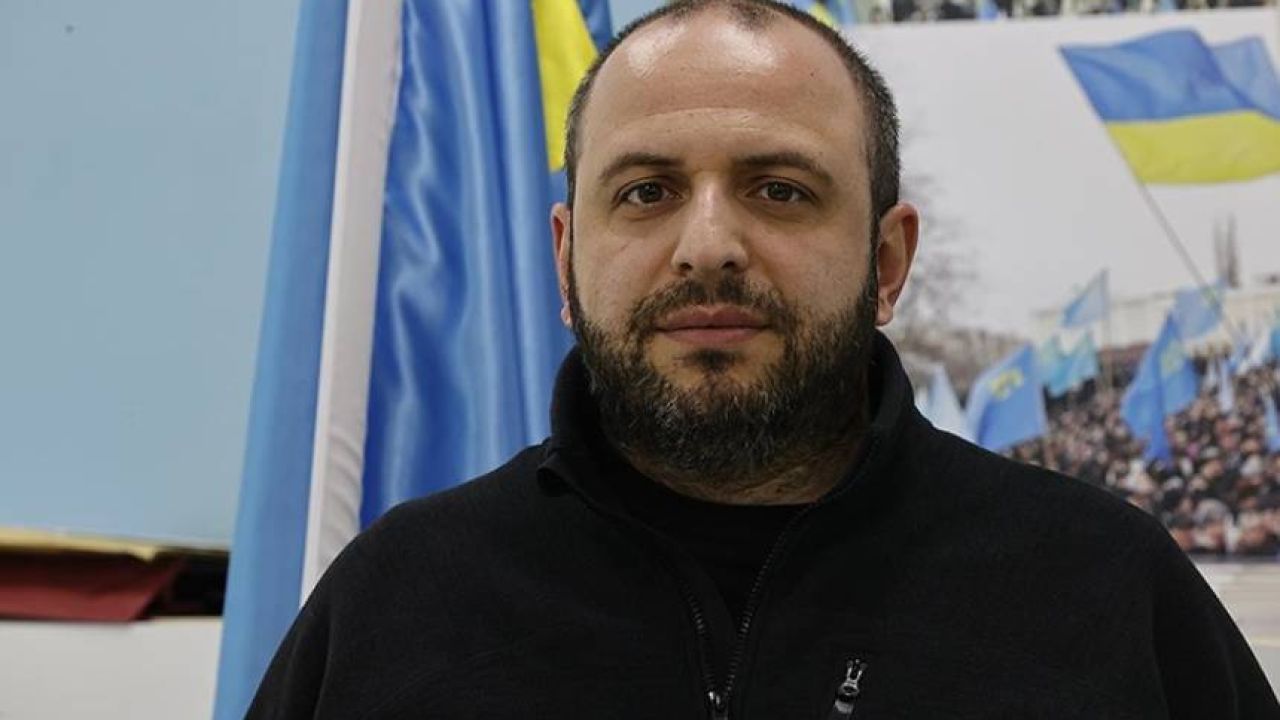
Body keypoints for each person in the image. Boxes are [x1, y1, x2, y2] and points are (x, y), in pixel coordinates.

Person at [248, 1, 1279, 717]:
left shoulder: (1104, 590)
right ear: (565, 261)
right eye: (645, 192)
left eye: (779, 189)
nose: (707, 245)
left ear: (886, 262)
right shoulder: (396, 603)